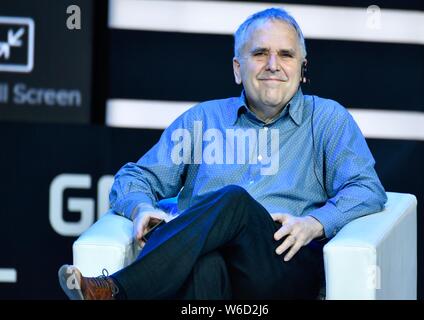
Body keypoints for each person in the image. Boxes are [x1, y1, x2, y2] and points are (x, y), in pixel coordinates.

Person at [58, 7, 387, 300]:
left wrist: (314, 223)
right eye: (260, 53)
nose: (273, 65)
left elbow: (366, 188)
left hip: (283, 264)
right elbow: (134, 177)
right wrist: (141, 207)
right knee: (206, 263)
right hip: (208, 265)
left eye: (286, 55)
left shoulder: (327, 119)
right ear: (236, 68)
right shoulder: (201, 120)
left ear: (302, 68)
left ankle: (117, 291)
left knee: (233, 200)